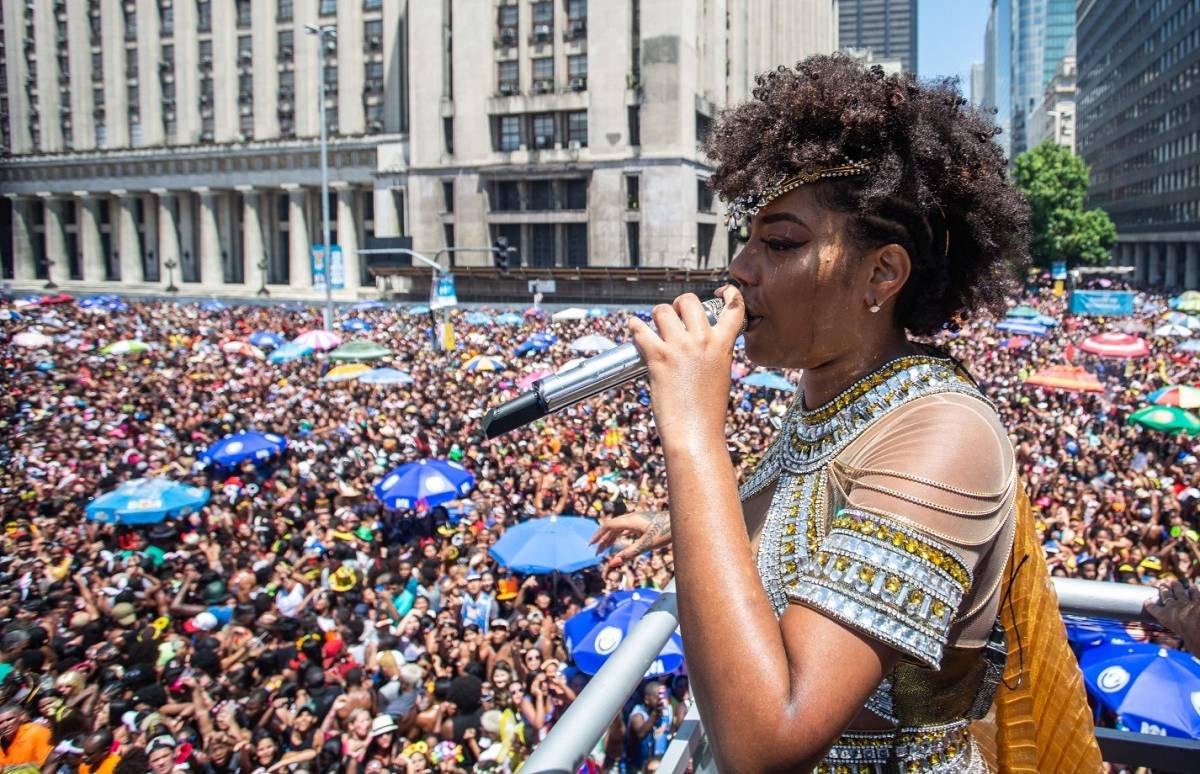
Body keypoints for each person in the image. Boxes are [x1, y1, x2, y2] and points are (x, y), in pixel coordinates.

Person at [622, 54, 1100, 772]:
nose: (741, 271)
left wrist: (692, 432)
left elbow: (768, 742)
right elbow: (809, 525)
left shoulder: (946, 431)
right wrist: (675, 522)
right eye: (746, 241)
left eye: (780, 243)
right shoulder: (825, 405)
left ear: (883, 274)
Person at [0, 704, 52, 769]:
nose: (5, 725)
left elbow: (52, 761)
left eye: (9, 719)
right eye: (0, 723)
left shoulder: (35, 731)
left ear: (21, 717)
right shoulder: (1, 744)